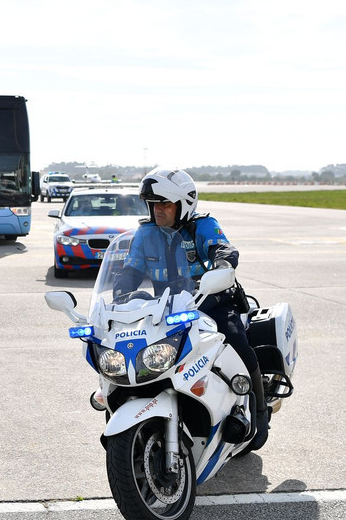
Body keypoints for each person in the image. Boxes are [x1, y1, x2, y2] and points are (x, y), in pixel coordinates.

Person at [113, 167, 269, 450]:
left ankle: (260, 412)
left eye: (165, 204)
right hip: (166, 308)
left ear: (183, 205)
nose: (157, 210)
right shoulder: (145, 234)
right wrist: (120, 292)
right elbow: (131, 269)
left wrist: (223, 265)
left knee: (239, 345)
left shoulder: (202, 226)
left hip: (209, 302)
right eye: (153, 204)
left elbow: (222, 248)